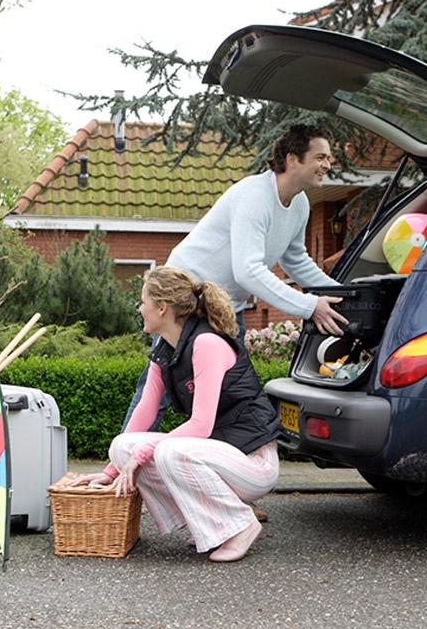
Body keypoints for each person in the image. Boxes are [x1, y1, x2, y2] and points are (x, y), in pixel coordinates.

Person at [124, 124, 350, 429]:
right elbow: (248, 271)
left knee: (227, 392)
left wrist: (344, 295)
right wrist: (310, 306)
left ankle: (215, 465)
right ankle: (122, 466)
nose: (327, 164)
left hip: (227, 305)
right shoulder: (255, 196)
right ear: (293, 159)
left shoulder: (299, 205)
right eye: (320, 157)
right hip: (183, 299)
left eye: (329, 158)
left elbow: (296, 260)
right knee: (159, 390)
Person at [72, 266, 281, 562]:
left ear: (162, 308)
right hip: (222, 453)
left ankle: (242, 524)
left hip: (254, 462)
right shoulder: (165, 345)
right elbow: (146, 408)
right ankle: (210, 524)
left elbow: (201, 424)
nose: (140, 308)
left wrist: (143, 454)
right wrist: (112, 469)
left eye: (143, 301)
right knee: (121, 446)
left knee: (168, 451)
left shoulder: (207, 343)